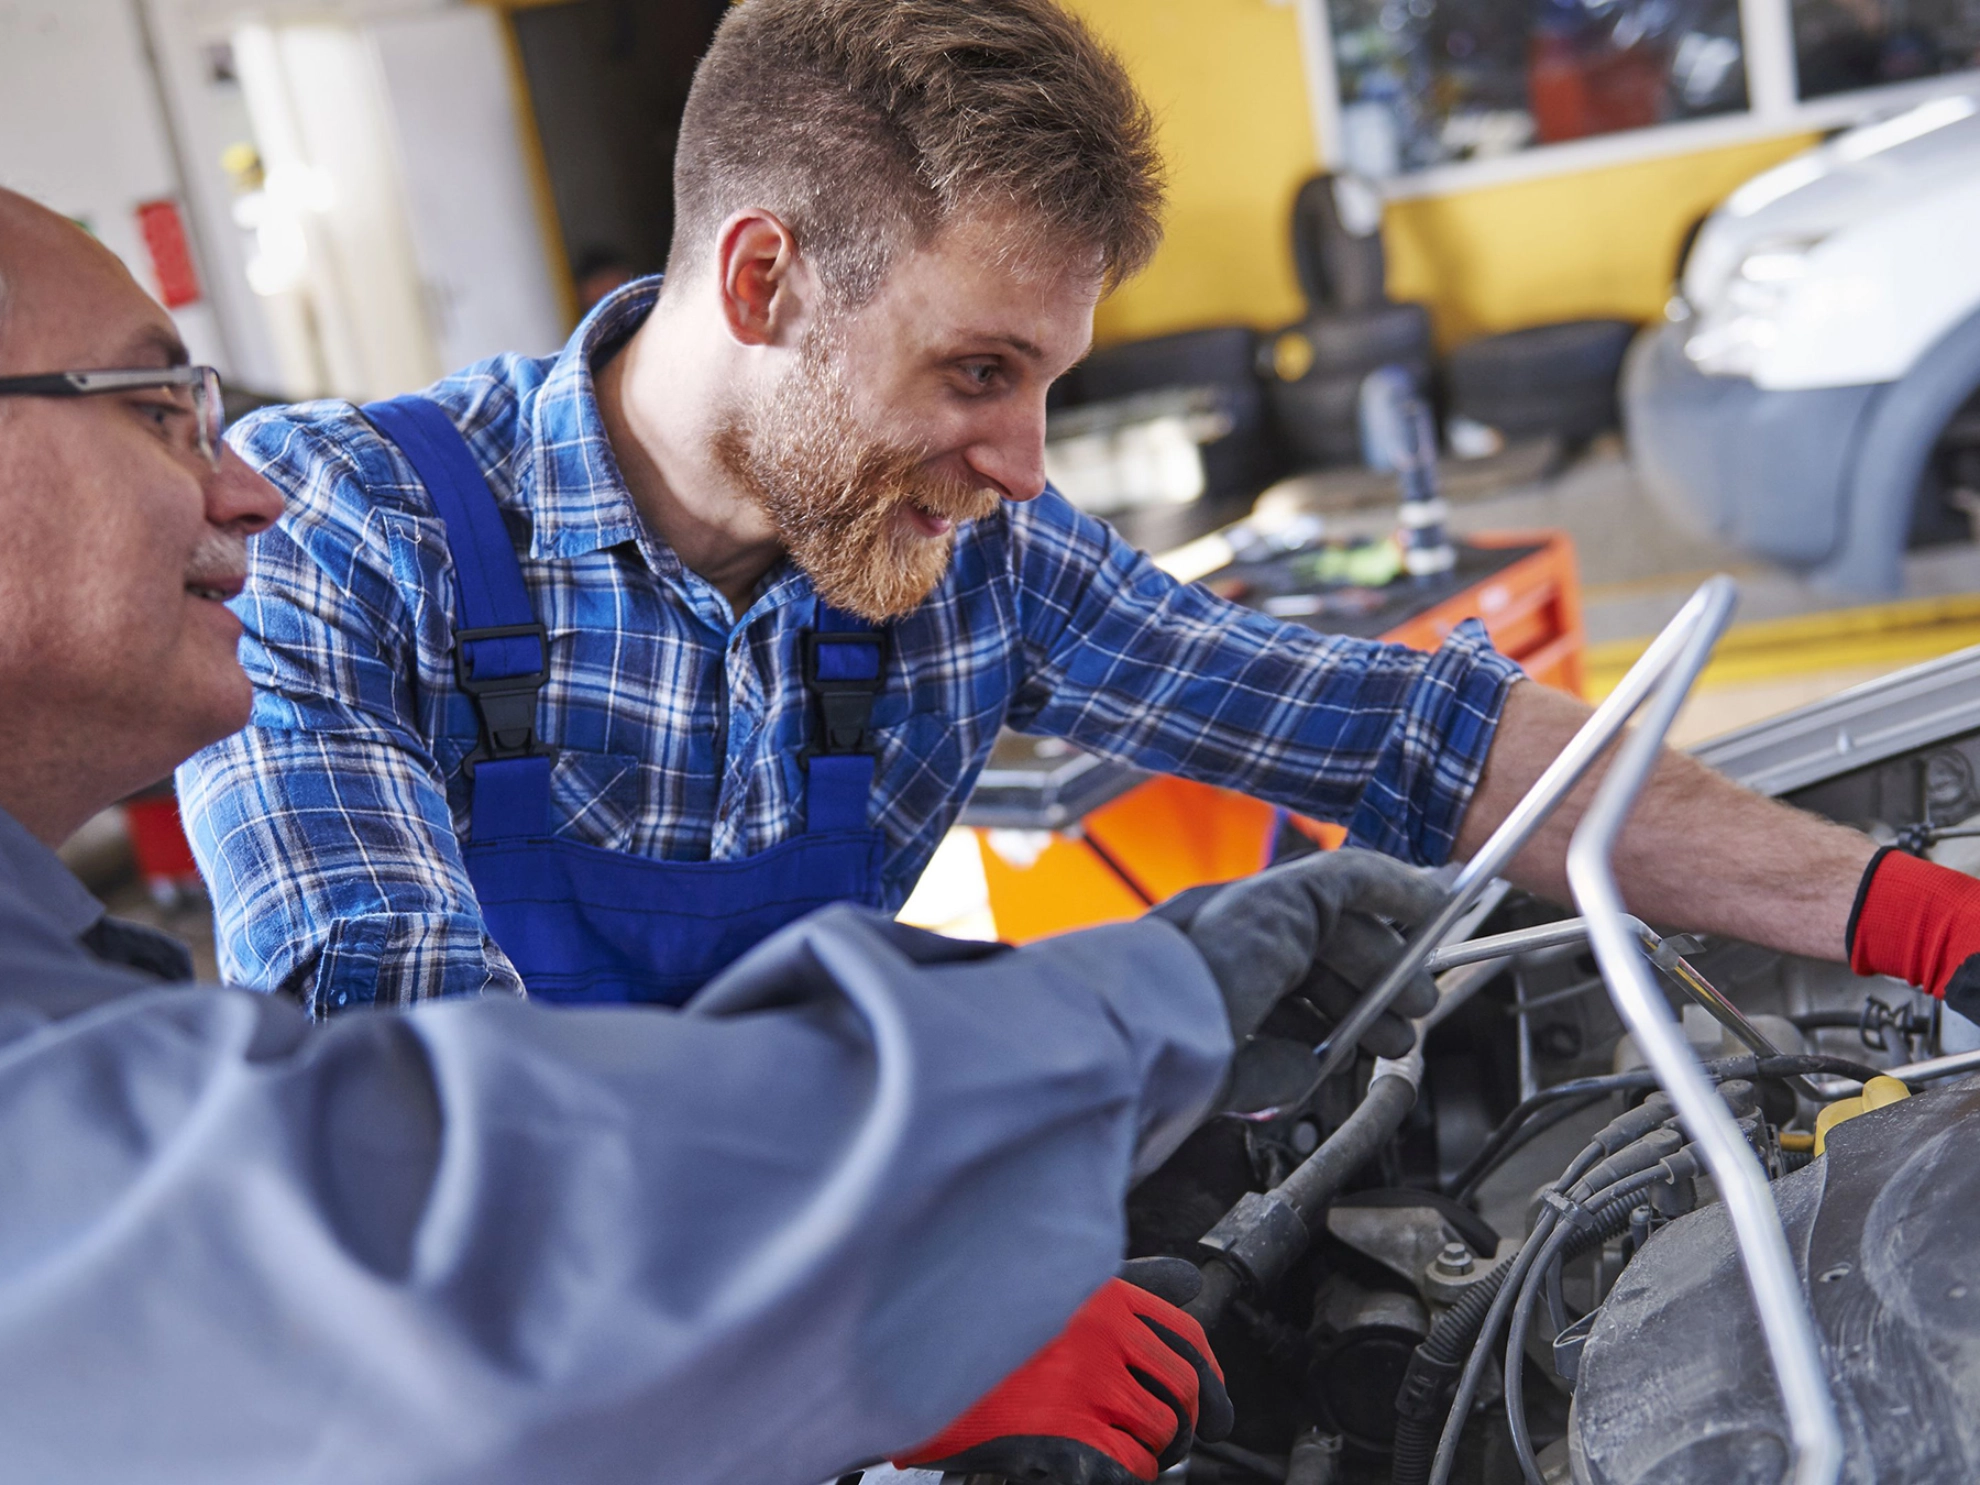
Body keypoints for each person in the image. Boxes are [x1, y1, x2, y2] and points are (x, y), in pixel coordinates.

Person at [0, 184, 1465, 1485]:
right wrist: (910, 1317)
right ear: (762, 283)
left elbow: (1397, 728)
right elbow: (432, 1234)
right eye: (155, 412)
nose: (238, 487)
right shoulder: (359, 529)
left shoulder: (940, 558)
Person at [181, 1, 1980, 1036]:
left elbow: (1414, 739)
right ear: (761, 281)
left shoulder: (978, 559)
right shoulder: (330, 544)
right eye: (976, 372)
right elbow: (406, 1095)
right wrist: (863, 1339)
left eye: (1052, 383)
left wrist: (1902, 914)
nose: (1027, 464)